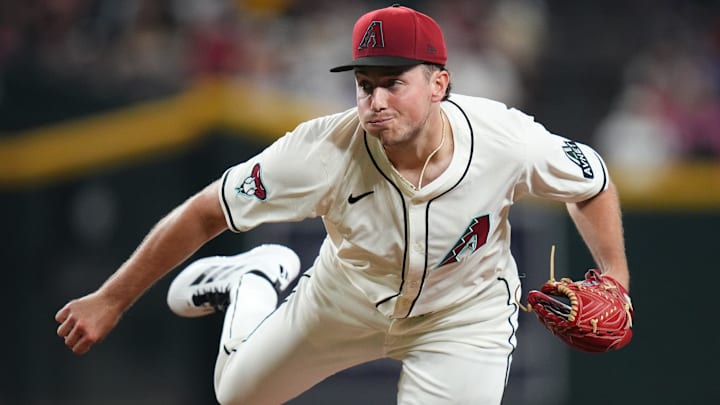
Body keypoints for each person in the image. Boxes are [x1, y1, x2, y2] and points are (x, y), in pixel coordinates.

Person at [55, 4, 631, 405]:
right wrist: (112, 298)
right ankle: (254, 280)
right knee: (236, 394)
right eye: (364, 83)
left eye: (393, 81)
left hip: (465, 316)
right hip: (345, 297)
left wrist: (615, 279)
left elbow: (593, 181)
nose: (375, 100)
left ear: (438, 83)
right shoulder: (320, 151)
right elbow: (207, 210)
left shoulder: (506, 140)